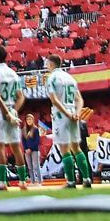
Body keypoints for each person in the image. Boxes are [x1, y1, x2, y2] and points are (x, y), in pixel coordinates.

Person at [44, 53, 92, 188]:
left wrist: (66, 113)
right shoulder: (70, 77)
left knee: (65, 149)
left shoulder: (51, 78)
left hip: (61, 115)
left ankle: (71, 181)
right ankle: (87, 179)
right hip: (73, 113)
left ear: (51, 64)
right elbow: (79, 99)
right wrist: (77, 113)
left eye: (47, 64)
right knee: (76, 148)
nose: (47, 66)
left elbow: (54, 100)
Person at [0, 45, 26, 189]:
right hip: (12, 113)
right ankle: (22, 181)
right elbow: (21, 97)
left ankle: (2, 182)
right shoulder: (13, 74)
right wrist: (13, 111)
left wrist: (6, 113)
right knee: (16, 148)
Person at [20, 113, 43, 185]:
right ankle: (32, 181)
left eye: (30, 119)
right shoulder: (24, 130)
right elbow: (23, 141)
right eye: (27, 119)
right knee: (30, 166)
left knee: (36, 166)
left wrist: (31, 148)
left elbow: (37, 140)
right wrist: (26, 148)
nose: (29, 121)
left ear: (33, 120)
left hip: (35, 150)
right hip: (27, 151)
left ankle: (39, 181)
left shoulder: (35, 129)